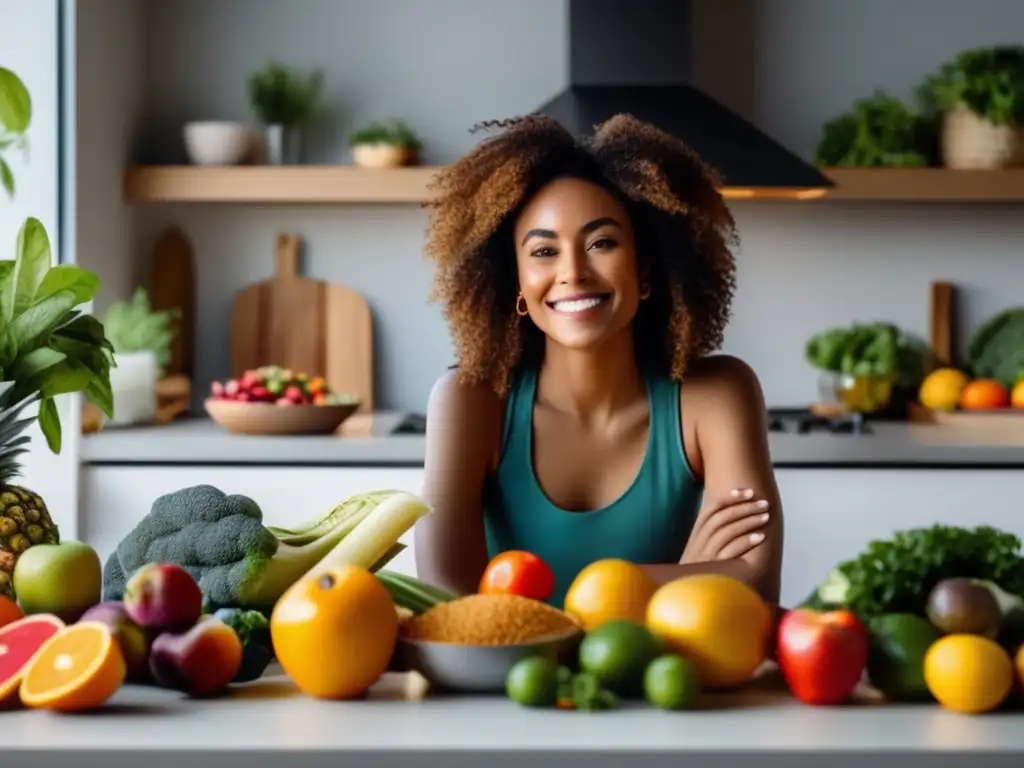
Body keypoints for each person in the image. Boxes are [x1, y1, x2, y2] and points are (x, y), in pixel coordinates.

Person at [415, 113, 784, 610]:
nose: (573, 272)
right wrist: (685, 578)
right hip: (509, 688)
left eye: (601, 243)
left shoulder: (716, 395)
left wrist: (559, 607)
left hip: (664, 681)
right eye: (544, 251)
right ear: (517, 285)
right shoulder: (471, 401)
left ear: (646, 269)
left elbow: (755, 589)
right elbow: (447, 605)